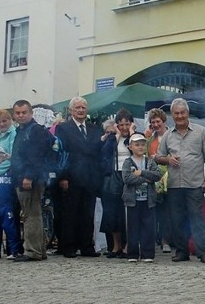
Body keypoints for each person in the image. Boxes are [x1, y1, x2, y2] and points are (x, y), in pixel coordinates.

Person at [156, 98, 205, 263]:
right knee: (177, 220)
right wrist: (168, 159)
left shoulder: (201, 131)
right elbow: (158, 157)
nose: (180, 116)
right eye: (176, 113)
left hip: (195, 183)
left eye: (182, 113)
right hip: (175, 184)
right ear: (172, 115)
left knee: (197, 219)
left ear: (187, 113)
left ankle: (203, 252)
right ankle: (182, 252)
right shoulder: (168, 134)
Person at [53, 97, 103, 258]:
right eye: (77, 108)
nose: (81, 110)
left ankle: (87, 246)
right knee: (70, 213)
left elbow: (98, 151)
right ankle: (68, 246)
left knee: (88, 214)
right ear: (71, 110)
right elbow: (61, 153)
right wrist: (63, 177)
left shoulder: (95, 128)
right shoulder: (63, 128)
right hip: (72, 177)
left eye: (83, 107)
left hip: (90, 177)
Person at [10, 100, 55, 262]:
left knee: (31, 215)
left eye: (24, 112)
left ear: (31, 113)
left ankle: (33, 251)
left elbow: (36, 156)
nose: (21, 115)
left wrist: (29, 176)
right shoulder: (22, 130)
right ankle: (39, 250)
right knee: (33, 213)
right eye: (18, 113)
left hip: (30, 179)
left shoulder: (35, 131)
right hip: (23, 177)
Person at [121, 133, 162, 262]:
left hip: (148, 200)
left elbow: (157, 175)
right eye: (137, 144)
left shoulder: (150, 161)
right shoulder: (128, 162)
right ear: (130, 147)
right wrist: (145, 179)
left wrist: (141, 173)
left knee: (148, 227)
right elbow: (127, 178)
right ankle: (132, 254)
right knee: (132, 227)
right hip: (132, 200)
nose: (140, 147)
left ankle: (147, 254)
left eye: (142, 144)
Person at [100, 109, 135, 258]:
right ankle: (116, 245)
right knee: (114, 212)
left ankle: (129, 245)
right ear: (117, 126)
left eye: (127, 124)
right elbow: (104, 153)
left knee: (129, 214)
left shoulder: (136, 138)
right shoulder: (113, 138)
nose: (125, 127)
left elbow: (138, 151)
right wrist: (116, 136)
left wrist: (132, 134)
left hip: (130, 176)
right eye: (121, 124)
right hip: (114, 177)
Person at [146, 108, 172, 254]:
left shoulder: (171, 136)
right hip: (154, 179)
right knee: (155, 212)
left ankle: (166, 240)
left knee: (168, 212)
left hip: (170, 178)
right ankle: (156, 239)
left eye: (158, 121)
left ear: (163, 121)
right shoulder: (149, 140)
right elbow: (146, 156)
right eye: (153, 122)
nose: (156, 124)